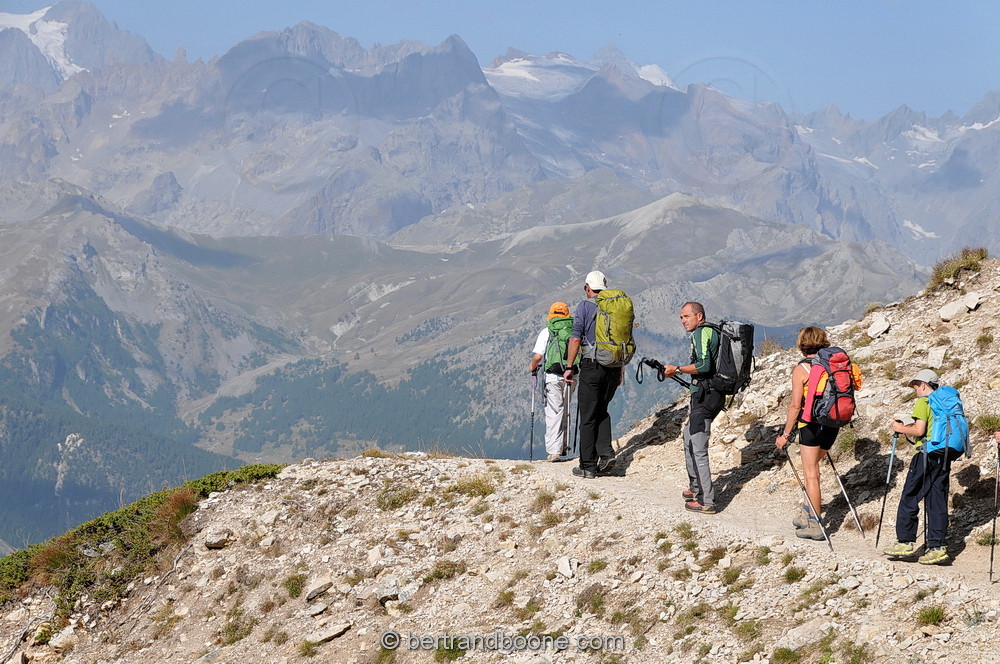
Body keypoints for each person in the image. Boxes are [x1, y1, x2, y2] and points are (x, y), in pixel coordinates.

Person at [883, 369, 960, 565]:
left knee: (910, 495)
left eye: (916, 386)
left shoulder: (923, 402)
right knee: (937, 499)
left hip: (926, 454)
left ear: (923, 385)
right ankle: (937, 547)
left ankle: (905, 542)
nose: (915, 390)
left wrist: (900, 428)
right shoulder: (946, 402)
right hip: (943, 455)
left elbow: (919, 430)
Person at [775, 327, 841, 541]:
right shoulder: (833, 364)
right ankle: (807, 511)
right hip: (833, 423)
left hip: (810, 425)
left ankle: (816, 524)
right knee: (812, 468)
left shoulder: (802, 369)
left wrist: (785, 435)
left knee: (811, 473)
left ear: (802, 345)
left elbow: (795, 406)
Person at [661, 302, 722, 513]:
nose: (683, 321)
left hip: (706, 396)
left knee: (698, 447)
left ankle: (706, 501)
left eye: (687, 316)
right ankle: (696, 487)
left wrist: (677, 369)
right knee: (688, 436)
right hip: (711, 394)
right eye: (681, 317)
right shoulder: (712, 331)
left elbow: (704, 365)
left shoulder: (701, 333)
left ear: (700, 316)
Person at [563, 270, 621, 479]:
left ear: (587, 287)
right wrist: (620, 370)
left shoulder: (585, 307)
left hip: (592, 366)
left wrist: (569, 366)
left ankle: (588, 466)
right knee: (602, 410)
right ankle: (606, 453)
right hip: (613, 366)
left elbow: (575, 338)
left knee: (588, 416)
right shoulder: (615, 306)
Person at [528, 302, 575, 462]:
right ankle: (563, 446)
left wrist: (532, 366)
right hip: (572, 376)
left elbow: (538, 356)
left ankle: (555, 452)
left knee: (554, 412)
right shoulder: (574, 330)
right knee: (566, 409)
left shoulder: (547, 331)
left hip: (553, 377)